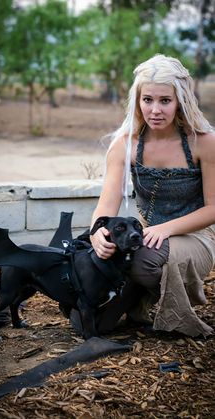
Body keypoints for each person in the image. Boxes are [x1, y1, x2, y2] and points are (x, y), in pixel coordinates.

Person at [87, 54, 215, 338]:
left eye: (165, 101)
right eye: (148, 100)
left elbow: (213, 208)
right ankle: (132, 298)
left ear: (181, 100)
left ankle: (161, 306)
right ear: (137, 101)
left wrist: (164, 229)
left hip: (196, 237)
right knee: (97, 326)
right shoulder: (125, 145)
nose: (155, 109)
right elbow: (106, 206)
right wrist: (96, 233)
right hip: (145, 236)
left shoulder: (203, 142)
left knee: (143, 260)